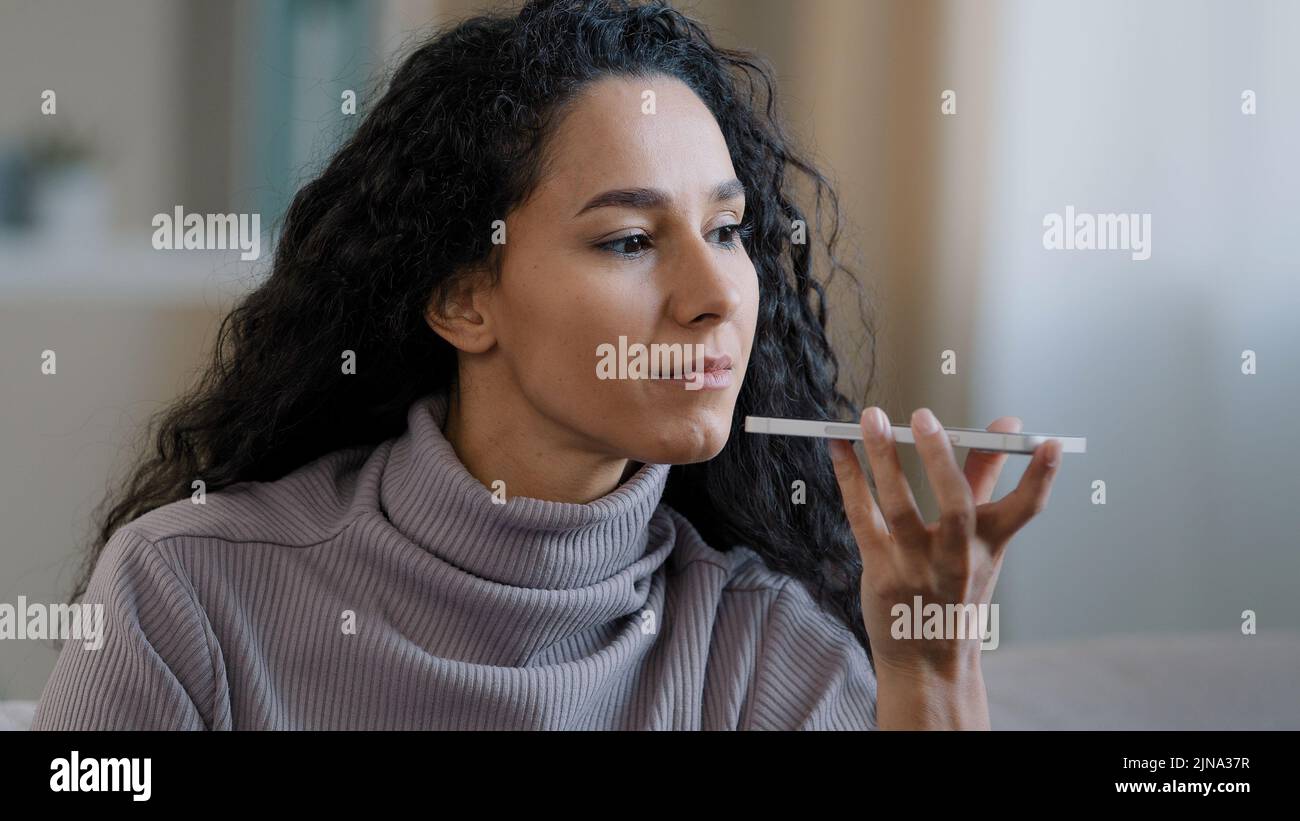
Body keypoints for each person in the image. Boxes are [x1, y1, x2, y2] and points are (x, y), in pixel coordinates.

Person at [33, 0, 1059, 731]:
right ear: (461, 296)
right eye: (627, 240)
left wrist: (927, 674)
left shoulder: (762, 651)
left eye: (728, 228)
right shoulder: (190, 593)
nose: (715, 295)